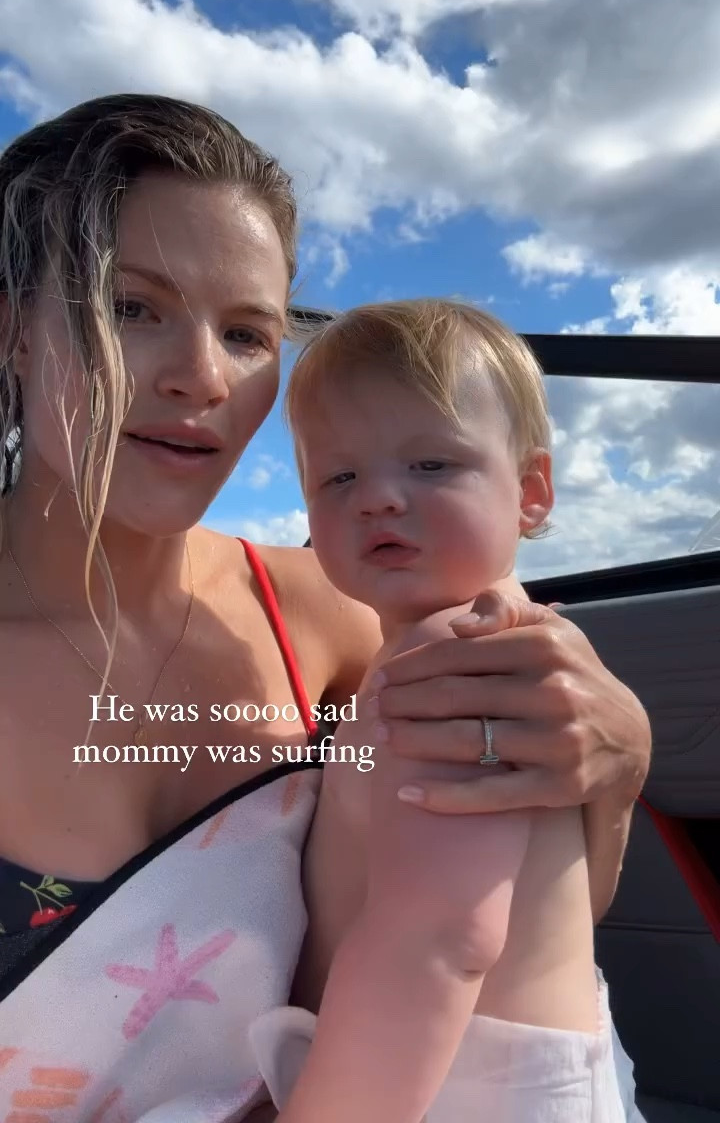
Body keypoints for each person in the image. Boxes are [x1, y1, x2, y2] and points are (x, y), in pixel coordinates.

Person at [0, 93, 650, 1122]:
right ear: (14, 332)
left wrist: (612, 770)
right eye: (131, 307)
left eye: (246, 332)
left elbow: (517, 915)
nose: (203, 377)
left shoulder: (341, 613)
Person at [247, 298, 633, 1122]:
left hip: (452, 1086)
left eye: (430, 464)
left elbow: (439, 941)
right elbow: (566, 901)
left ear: (530, 492)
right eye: (339, 477)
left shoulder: (452, 660)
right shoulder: (488, 650)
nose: (378, 498)